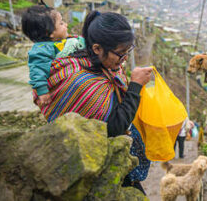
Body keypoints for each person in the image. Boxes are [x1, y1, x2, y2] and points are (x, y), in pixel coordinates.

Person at [35, 10, 153, 194]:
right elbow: (113, 127)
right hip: (91, 164)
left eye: (127, 52)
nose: (124, 59)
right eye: (120, 54)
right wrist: (135, 86)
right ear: (97, 48)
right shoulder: (81, 81)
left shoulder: (104, 65)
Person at [22, 4, 85, 107]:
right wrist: (42, 91)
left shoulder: (66, 40)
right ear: (49, 33)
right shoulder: (41, 50)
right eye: (61, 23)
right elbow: (37, 71)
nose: (66, 25)